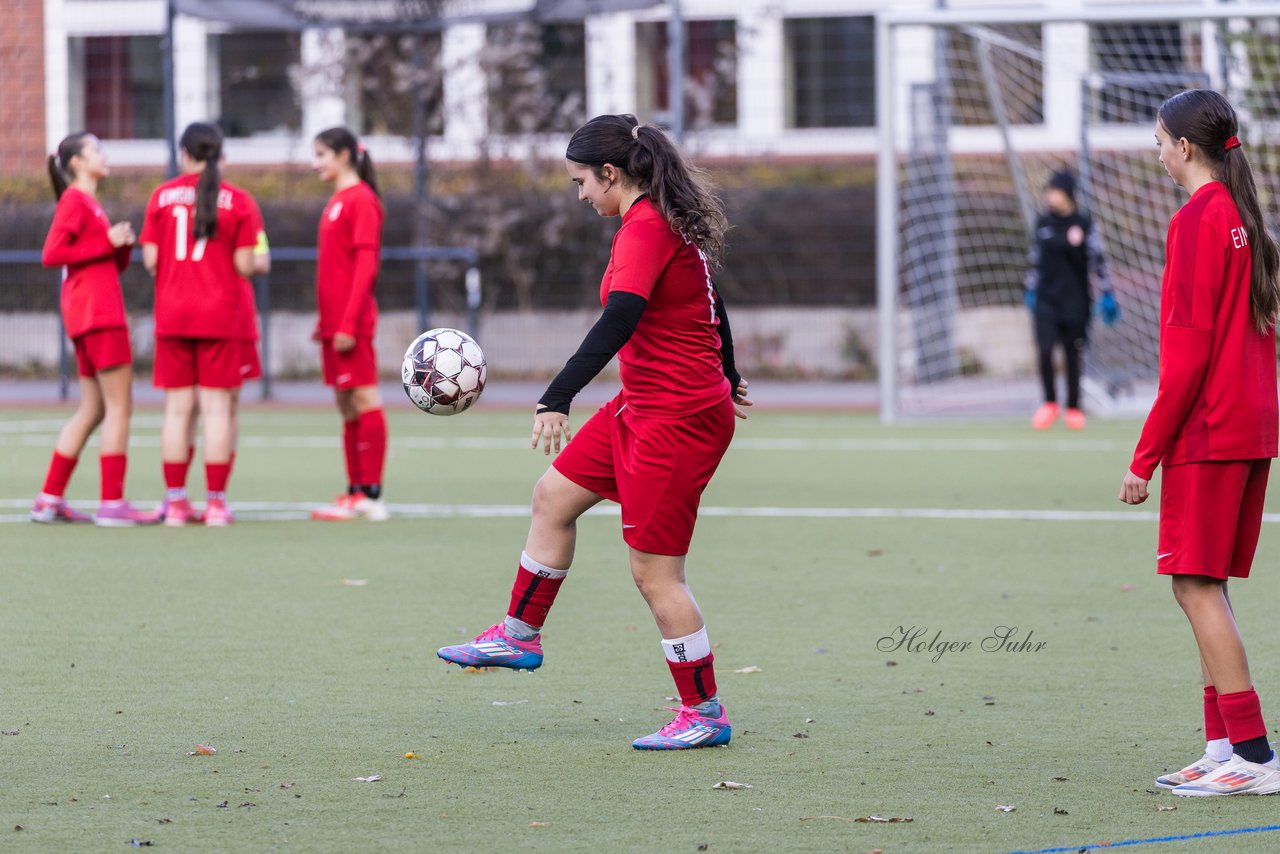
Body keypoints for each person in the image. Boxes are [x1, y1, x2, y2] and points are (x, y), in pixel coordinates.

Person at [436, 114, 752, 750]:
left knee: (655, 574)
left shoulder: (647, 229)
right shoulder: (660, 223)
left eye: (581, 181)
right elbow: (711, 301)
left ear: (612, 174)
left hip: (677, 421)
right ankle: (519, 637)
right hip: (645, 404)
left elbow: (621, 319)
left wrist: (557, 396)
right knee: (553, 497)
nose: (578, 194)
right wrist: (730, 369)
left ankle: (704, 712)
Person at [1119, 89, 1280, 796]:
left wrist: (1142, 457)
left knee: (1193, 583)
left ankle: (1252, 754)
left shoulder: (1197, 220)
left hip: (1210, 430)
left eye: (1159, 139)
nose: (1156, 151)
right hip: (1249, 424)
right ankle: (1224, 746)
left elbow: (1185, 355)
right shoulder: (1242, 217)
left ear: (1185, 148)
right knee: (1204, 582)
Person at [140, 122, 261, 527]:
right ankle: (215, 505)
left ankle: (175, 504)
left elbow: (152, 261)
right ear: (220, 155)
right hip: (219, 315)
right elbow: (246, 265)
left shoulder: (160, 196)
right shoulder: (239, 201)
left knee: (177, 411)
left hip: (172, 315)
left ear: (183, 154)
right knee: (217, 410)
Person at [34, 133, 156, 526]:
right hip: (98, 314)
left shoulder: (88, 203)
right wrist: (105, 241)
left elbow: (104, 263)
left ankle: (49, 499)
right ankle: (112, 502)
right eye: (96, 150)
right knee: (121, 406)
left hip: (87, 313)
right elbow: (52, 254)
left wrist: (118, 245)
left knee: (94, 408)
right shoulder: (75, 200)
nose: (104, 156)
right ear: (76, 163)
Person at [309, 127, 389, 523]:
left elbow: (365, 266)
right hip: (333, 323)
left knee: (364, 398)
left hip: (350, 323)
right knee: (346, 404)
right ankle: (355, 490)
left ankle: (372, 495)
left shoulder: (361, 200)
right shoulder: (338, 201)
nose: (315, 163)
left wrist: (348, 321)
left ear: (343, 155)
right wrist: (326, 322)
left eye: (321, 154)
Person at [1024, 168, 1118, 430]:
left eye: (1054, 191)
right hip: (1046, 300)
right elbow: (1035, 260)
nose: (1049, 197)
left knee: (1072, 354)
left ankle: (1074, 408)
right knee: (1044, 350)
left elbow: (1099, 262)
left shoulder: (1084, 225)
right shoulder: (1043, 223)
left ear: (1067, 194)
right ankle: (1049, 403)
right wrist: (1030, 289)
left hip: (1076, 302)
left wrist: (1107, 293)